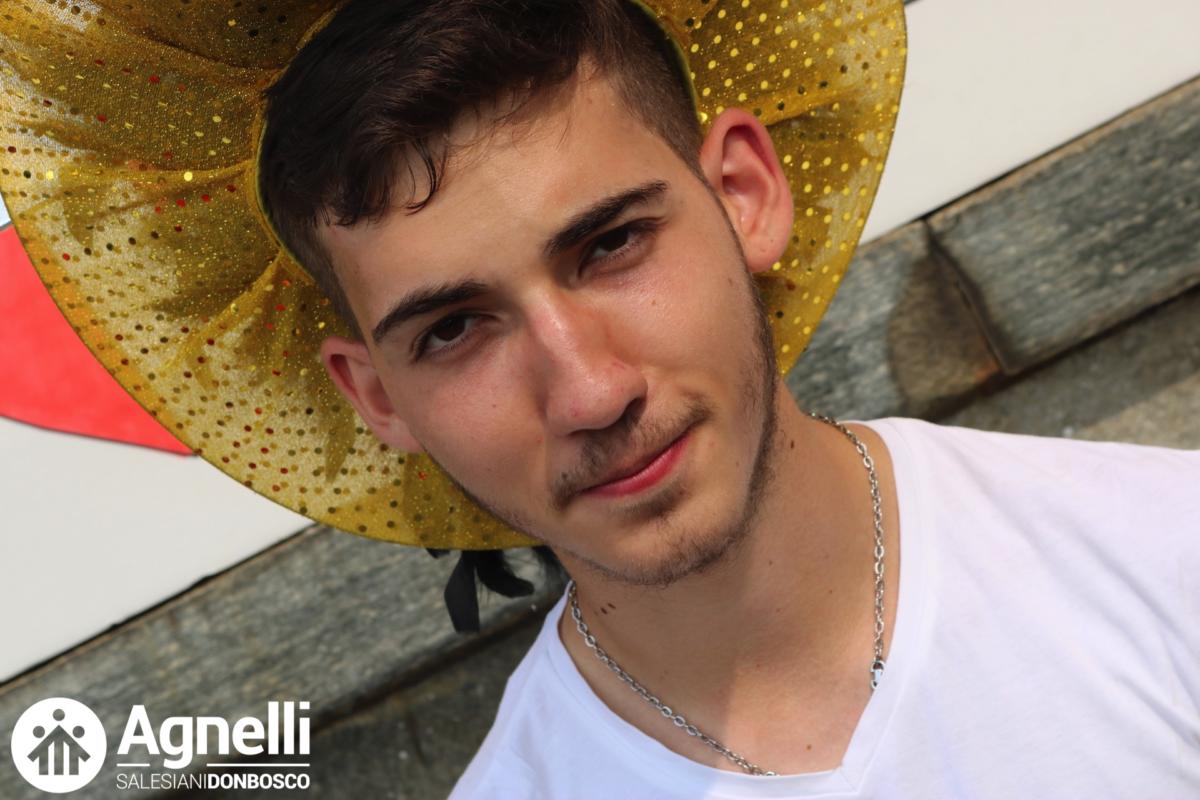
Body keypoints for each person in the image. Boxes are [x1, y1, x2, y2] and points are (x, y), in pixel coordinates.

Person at [2, 0, 1196, 797]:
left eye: (612, 244)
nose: (587, 388)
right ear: (376, 396)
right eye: (454, 328)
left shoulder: (1163, 547)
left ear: (745, 192)